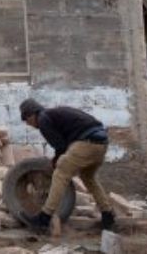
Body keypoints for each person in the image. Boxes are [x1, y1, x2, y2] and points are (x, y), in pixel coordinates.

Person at [18, 98, 115, 233]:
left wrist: (56, 160)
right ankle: (108, 214)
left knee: (61, 172)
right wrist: (57, 156)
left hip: (87, 142)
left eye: (26, 120)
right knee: (88, 178)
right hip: (101, 143)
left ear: (31, 114)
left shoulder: (43, 119)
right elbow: (62, 145)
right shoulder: (52, 114)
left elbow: (61, 146)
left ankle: (44, 219)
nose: (28, 124)